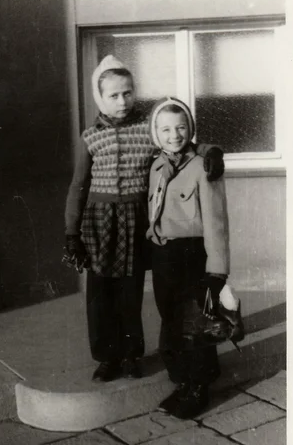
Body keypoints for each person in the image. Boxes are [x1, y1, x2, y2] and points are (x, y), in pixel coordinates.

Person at [64, 56, 225, 383]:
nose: (122, 101)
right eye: (113, 95)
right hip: (99, 223)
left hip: (136, 220)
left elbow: (180, 141)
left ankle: (130, 354)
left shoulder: (147, 129)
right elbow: (78, 185)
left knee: (130, 291)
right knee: (99, 294)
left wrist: (211, 151)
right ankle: (106, 357)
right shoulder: (90, 137)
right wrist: (72, 233)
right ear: (100, 98)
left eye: (127, 93)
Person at [147, 96, 230, 418]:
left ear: (190, 129)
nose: (174, 135)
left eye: (181, 127)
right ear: (156, 132)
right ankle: (182, 382)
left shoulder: (203, 166)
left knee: (195, 322)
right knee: (170, 322)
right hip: (163, 254)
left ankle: (200, 387)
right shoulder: (155, 165)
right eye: (165, 129)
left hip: (192, 254)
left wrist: (217, 270)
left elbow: (216, 220)